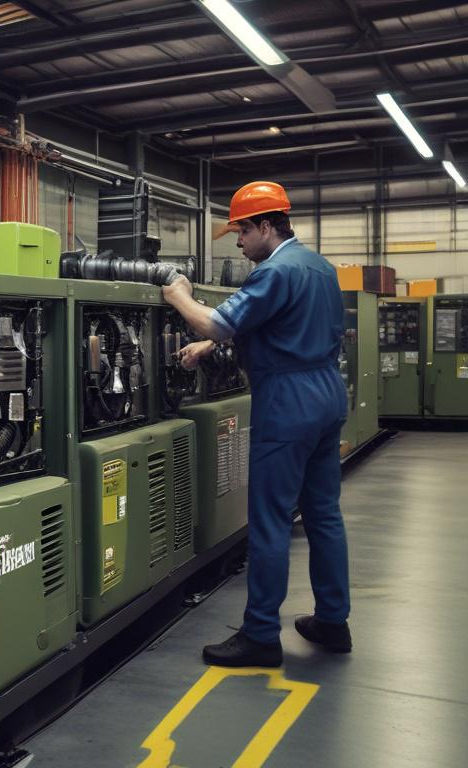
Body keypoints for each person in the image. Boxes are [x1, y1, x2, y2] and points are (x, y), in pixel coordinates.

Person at [162, 181, 353, 667]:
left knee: (269, 520)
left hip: (288, 400)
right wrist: (213, 346)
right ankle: (333, 621)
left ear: (267, 225)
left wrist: (179, 295)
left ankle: (261, 635)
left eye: (242, 231)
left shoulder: (273, 272)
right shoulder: (319, 267)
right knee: (324, 513)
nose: (239, 242)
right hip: (328, 393)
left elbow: (216, 322)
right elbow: (285, 324)